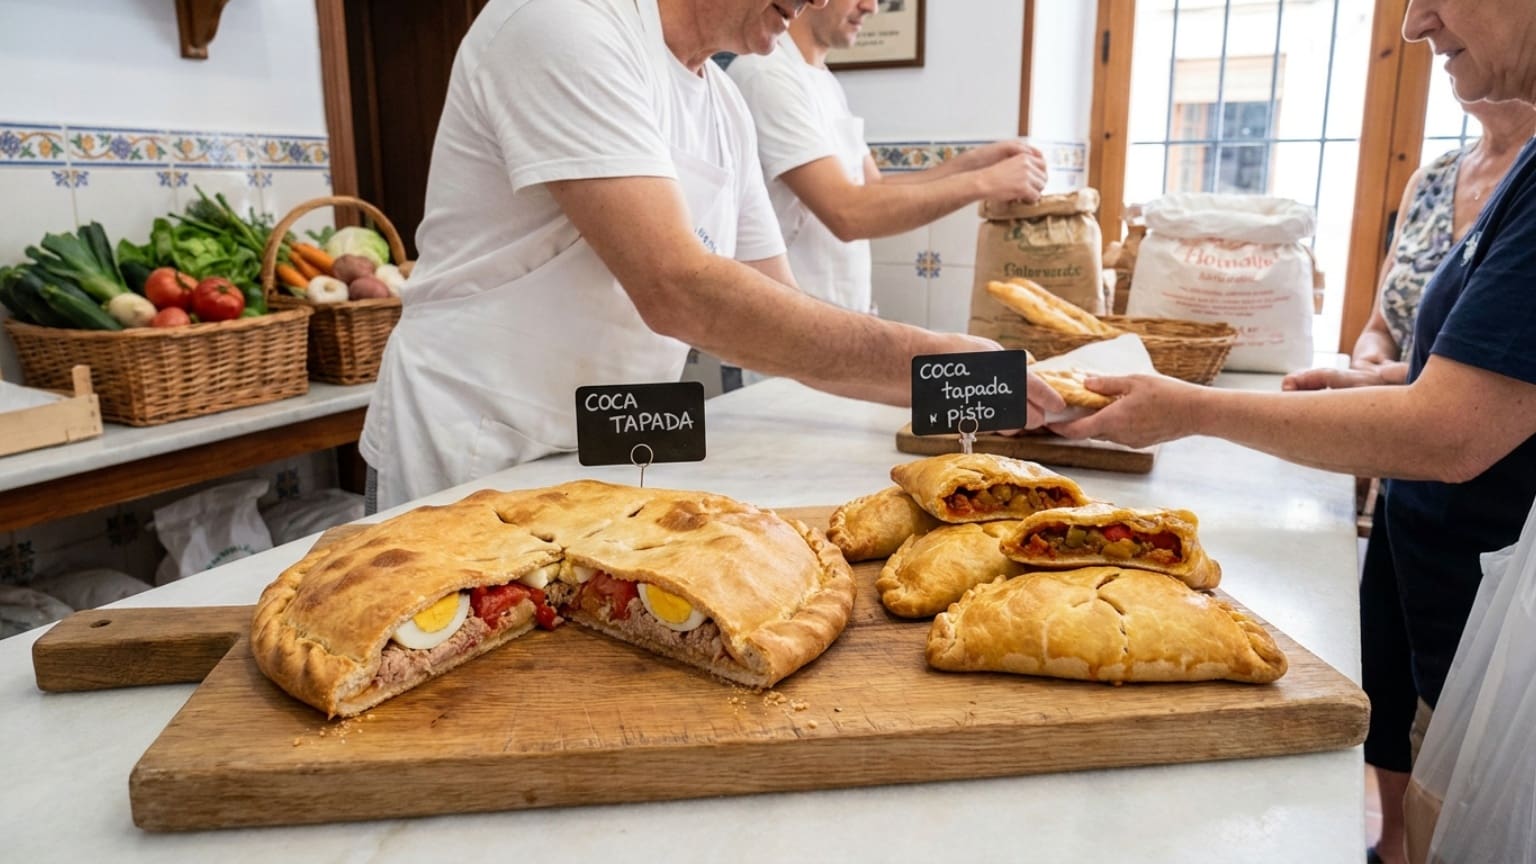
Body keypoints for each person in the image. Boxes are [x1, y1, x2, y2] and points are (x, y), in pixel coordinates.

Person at [1053, 2, 1536, 858]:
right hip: (1439, 564)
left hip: (1491, 594)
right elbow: (1491, 379)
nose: (1415, 24)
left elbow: (1452, 433)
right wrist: (1386, 380)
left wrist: (1190, 409)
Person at [358, 0, 1063, 511]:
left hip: (610, 446)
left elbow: (780, 308)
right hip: (481, 444)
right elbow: (678, 288)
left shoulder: (723, 104)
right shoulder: (563, 23)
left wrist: (950, 390)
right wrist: (927, 360)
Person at [1280, 95, 1536, 864]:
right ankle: (1391, 845)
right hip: (1407, 499)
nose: (1418, 35)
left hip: (1486, 529)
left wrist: (1185, 410)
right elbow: (1391, 322)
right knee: (1391, 691)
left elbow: (1458, 417)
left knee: (1461, 751)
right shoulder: (1436, 178)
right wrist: (1371, 369)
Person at [726, 0, 1047, 314]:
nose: (872, 7)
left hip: (833, 319)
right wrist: (984, 183)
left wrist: (974, 163)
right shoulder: (766, 75)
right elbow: (847, 213)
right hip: (786, 326)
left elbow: (874, 188)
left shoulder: (822, 80)